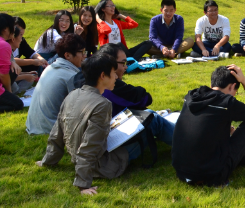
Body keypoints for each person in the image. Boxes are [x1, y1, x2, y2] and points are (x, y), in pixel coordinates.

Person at [37, 53, 175, 195]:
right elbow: (90, 145)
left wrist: (48, 161)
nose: (116, 77)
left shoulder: (73, 94)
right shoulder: (102, 104)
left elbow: (57, 133)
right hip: (104, 165)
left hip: (83, 157)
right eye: (113, 73)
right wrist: (83, 184)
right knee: (153, 120)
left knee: (147, 117)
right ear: (103, 76)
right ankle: (188, 142)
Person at [25, 34, 87, 135]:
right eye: (82, 52)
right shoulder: (71, 76)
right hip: (49, 129)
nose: (85, 56)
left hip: (34, 125)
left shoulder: (51, 67)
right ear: (67, 55)